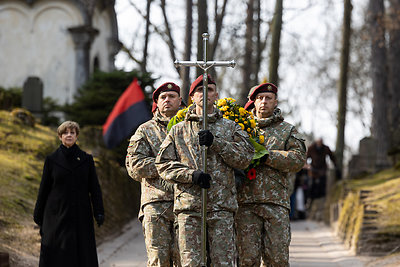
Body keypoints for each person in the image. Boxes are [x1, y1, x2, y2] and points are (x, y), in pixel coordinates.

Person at [155, 74, 254, 266]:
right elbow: (163, 164)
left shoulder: (230, 127)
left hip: (221, 207)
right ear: (192, 97)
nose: (204, 93)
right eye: (200, 90)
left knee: (223, 262)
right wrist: (191, 175)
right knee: (192, 263)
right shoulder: (178, 130)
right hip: (190, 208)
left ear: (216, 95)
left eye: (209, 89)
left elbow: (246, 157)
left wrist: (217, 143)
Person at [236, 83, 306, 267]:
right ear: (253, 102)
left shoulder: (287, 130)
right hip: (245, 204)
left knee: (277, 259)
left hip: (275, 204)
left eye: (268, 98)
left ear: (276, 102)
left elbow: (298, 160)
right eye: (260, 98)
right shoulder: (240, 129)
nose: (264, 102)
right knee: (246, 260)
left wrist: (268, 156)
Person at [126, 82, 182, 266]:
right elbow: (135, 166)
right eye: (163, 97)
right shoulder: (145, 130)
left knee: (187, 260)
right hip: (156, 204)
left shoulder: (190, 128)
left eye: (172, 96)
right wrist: (169, 167)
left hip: (187, 204)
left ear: (180, 101)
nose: (167, 100)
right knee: (159, 260)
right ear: (157, 102)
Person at [33, 121, 104, 267]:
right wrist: (38, 216)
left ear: (77, 136)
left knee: (81, 255)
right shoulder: (51, 160)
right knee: (57, 256)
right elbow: (44, 189)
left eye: (72, 132)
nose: (69, 135)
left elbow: (94, 189)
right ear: (60, 136)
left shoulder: (86, 160)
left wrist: (99, 211)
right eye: (65, 133)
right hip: (55, 216)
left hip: (80, 215)